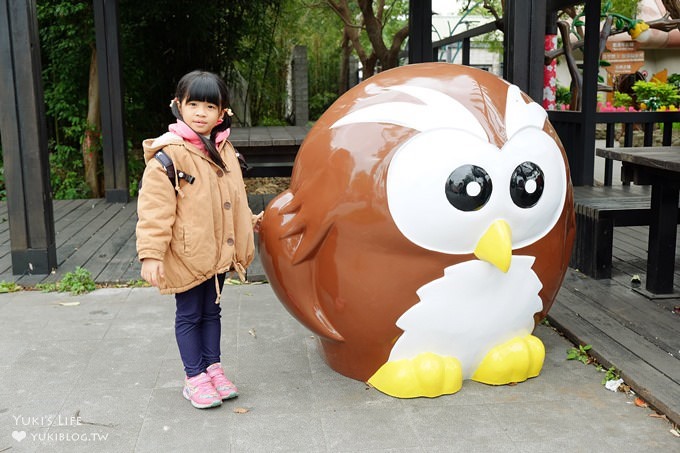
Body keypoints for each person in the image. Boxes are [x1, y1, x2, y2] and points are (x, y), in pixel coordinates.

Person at [136, 70, 262, 409]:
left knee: (213, 311)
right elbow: (154, 210)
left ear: (222, 113)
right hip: (189, 252)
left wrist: (249, 222)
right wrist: (151, 254)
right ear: (179, 105)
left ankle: (213, 369)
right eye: (194, 104)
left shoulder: (224, 149)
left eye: (210, 106)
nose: (201, 113)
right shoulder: (170, 154)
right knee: (190, 313)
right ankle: (194, 377)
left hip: (219, 249)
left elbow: (233, 199)